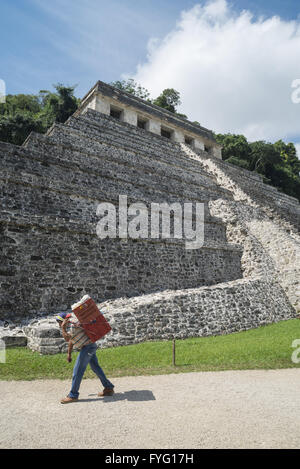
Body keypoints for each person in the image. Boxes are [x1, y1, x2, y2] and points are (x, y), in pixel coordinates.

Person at [56, 312, 114, 404]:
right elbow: (71, 341)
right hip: (90, 346)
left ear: (63, 321)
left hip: (87, 348)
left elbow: (67, 339)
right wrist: (69, 354)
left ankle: (73, 395)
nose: (59, 324)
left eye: (59, 322)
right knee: (96, 368)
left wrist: (63, 328)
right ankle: (109, 388)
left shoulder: (72, 325)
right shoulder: (72, 323)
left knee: (78, 370)